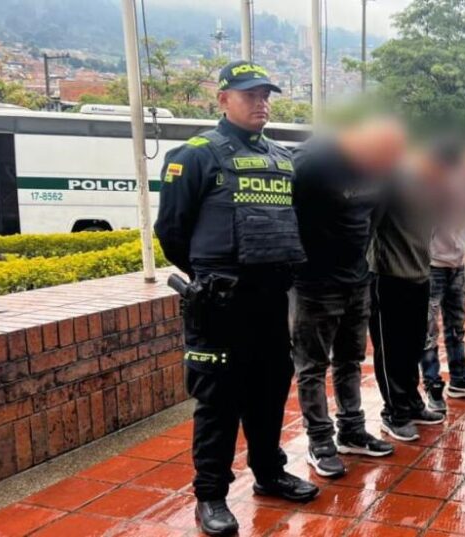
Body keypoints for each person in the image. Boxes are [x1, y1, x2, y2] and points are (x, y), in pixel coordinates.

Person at [154, 60, 318, 536]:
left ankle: (269, 473)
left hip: (270, 301)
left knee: (269, 390)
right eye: (250, 95)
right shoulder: (197, 154)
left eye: (266, 94)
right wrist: (210, 275)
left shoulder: (282, 159)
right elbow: (171, 232)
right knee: (218, 401)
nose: (261, 103)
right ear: (223, 99)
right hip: (220, 304)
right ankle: (211, 495)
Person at [290, 119, 406, 477]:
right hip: (314, 284)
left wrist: (357, 262)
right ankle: (320, 440)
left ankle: (352, 431)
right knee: (311, 366)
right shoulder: (309, 162)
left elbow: (375, 215)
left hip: (357, 280)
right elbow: (285, 215)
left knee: (350, 359)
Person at [369, 141, 457, 441]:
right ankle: (394, 412)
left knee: (412, 344)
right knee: (391, 348)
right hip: (388, 276)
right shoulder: (392, 182)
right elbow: (372, 224)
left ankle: (411, 402)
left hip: (420, 275)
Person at [421, 146, 465, 412]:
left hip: (457, 264)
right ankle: (432, 385)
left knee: (456, 327)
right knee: (428, 331)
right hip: (433, 265)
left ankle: (460, 379)